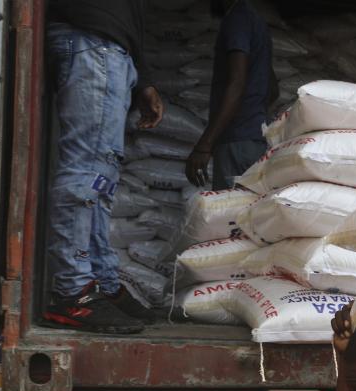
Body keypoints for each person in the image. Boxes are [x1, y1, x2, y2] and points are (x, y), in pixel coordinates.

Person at [43, 0, 165, 335]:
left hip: (110, 47)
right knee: (87, 167)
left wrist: (143, 80)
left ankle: (101, 282)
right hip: (91, 39)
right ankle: (73, 291)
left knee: (103, 175)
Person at [185, 0, 277, 190]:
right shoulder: (255, 21)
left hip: (236, 142)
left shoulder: (238, 19)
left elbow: (237, 82)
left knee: (230, 217)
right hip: (254, 139)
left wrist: (204, 145)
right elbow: (272, 89)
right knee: (247, 214)